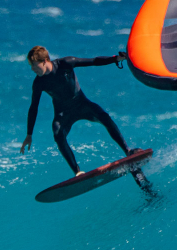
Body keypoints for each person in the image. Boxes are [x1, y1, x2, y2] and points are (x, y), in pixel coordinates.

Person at [22, 45, 131, 176]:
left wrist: (116, 59)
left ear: (45, 60)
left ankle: (128, 151)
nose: (32, 69)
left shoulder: (65, 63)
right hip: (63, 113)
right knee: (58, 134)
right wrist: (29, 134)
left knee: (104, 117)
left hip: (81, 104)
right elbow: (34, 107)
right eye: (31, 66)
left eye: (34, 65)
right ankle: (78, 172)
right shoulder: (39, 83)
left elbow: (94, 61)